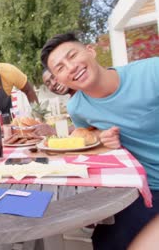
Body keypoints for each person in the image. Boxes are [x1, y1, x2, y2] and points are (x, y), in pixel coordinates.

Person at [41, 32, 159, 250]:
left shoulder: (152, 72)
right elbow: (89, 139)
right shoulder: (77, 108)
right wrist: (102, 140)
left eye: (72, 56)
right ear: (59, 80)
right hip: (144, 188)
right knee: (105, 241)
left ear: (90, 50)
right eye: (60, 68)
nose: (71, 67)